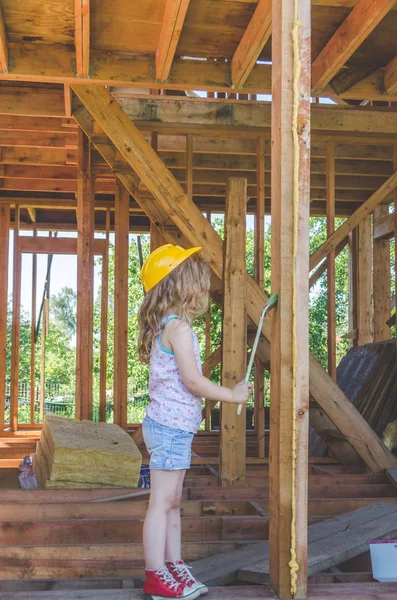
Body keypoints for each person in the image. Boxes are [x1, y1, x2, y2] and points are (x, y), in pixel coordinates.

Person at [138, 244, 252, 600]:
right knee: (162, 503)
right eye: (199, 281)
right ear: (181, 284)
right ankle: (156, 575)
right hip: (170, 429)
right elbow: (192, 380)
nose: (203, 289)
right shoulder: (180, 329)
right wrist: (232, 394)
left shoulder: (169, 325)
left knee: (172, 502)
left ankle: (172, 566)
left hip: (173, 428)